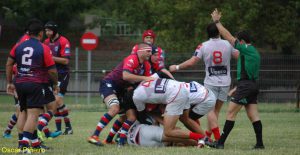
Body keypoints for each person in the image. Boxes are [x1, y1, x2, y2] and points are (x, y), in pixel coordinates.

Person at [169, 23, 239, 142]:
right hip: (225, 82)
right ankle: (210, 136)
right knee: (215, 111)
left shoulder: (203, 46)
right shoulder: (228, 44)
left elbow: (192, 62)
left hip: (211, 82)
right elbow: (238, 55)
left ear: (208, 33)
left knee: (210, 110)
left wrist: (176, 67)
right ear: (219, 32)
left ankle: (217, 140)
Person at [211, 8, 264, 149]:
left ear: (241, 41)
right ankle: (260, 144)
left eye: (237, 40)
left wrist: (217, 22)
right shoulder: (254, 52)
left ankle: (220, 143)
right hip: (252, 85)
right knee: (253, 115)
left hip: (246, 86)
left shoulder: (246, 49)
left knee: (230, 112)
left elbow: (228, 37)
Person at [87, 43, 156, 146]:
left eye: (151, 52)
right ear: (140, 51)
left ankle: (109, 140)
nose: (150, 54)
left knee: (126, 116)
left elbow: (147, 82)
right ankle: (94, 136)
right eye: (148, 51)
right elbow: (126, 76)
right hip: (109, 84)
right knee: (114, 108)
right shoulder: (131, 58)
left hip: (122, 89)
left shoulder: (146, 65)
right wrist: (145, 78)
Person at [6, 19, 59, 152]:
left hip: (19, 82)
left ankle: (31, 144)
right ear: (41, 33)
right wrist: (55, 83)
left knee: (22, 112)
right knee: (33, 115)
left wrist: (9, 83)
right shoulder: (43, 47)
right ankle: (24, 146)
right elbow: (52, 71)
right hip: (35, 83)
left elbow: (9, 64)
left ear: (29, 33)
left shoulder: (18, 46)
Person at [132, 77, 212, 148]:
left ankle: (201, 137)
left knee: (168, 131)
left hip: (175, 95)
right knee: (186, 119)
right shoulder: (145, 82)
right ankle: (208, 141)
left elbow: (142, 115)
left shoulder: (136, 97)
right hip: (182, 89)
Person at [44, 21, 73, 135]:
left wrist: (50, 57)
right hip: (51, 74)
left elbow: (65, 60)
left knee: (57, 100)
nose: (47, 32)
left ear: (54, 31)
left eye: (49, 30)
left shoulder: (63, 41)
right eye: (45, 30)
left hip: (62, 74)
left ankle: (68, 127)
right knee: (53, 101)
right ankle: (59, 129)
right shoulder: (46, 42)